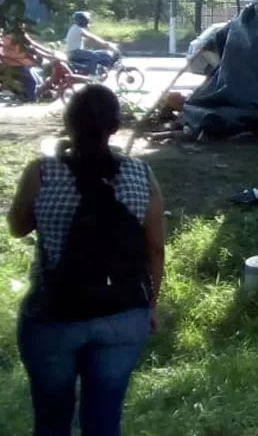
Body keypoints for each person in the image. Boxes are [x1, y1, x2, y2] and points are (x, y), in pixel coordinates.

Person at [9, 84, 165, 436]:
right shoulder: (142, 174)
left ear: (69, 124)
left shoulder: (42, 172)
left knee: (51, 418)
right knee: (104, 418)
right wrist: (151, 305)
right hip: (124, 313)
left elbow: (18, 227)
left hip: (54, 314)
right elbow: (155, 249)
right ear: (115, 125)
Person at [2, 25, 49, 102]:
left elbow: (34, 45)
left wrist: (49, 53)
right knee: (31, 82)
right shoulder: (10, 38)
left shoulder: (20, 37)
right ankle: (32, 100)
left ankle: (38, 96)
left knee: (38, 78)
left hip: (22, 64)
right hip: (15, 65)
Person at [64, 12, 119, 77]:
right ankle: (92, 75)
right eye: (86, 20)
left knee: (98, 53)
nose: (87, 22)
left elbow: (90, 40)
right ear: (83, 20)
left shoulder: (75, 27)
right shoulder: (79, 29)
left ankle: (96, 70)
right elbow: (92, 37)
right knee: (94, 56)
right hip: (75, 52)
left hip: (74, 52)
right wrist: (106, 44)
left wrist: (103, 44)